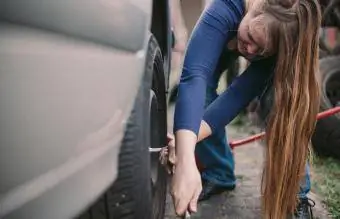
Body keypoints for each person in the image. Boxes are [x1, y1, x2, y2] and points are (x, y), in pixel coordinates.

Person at [170, 0, 322, 218]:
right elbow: (194, 78)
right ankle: (219, 173)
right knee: (200, 97)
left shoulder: (279, 44)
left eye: (260, 50)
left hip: (265, 38)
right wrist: (185, 155)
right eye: (251, 36)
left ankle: (295, 195)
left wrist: (185, 140)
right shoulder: (224, 8)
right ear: (254, 7)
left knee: (286, 108)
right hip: (224, 31)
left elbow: (235, 97)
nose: (249, 50)